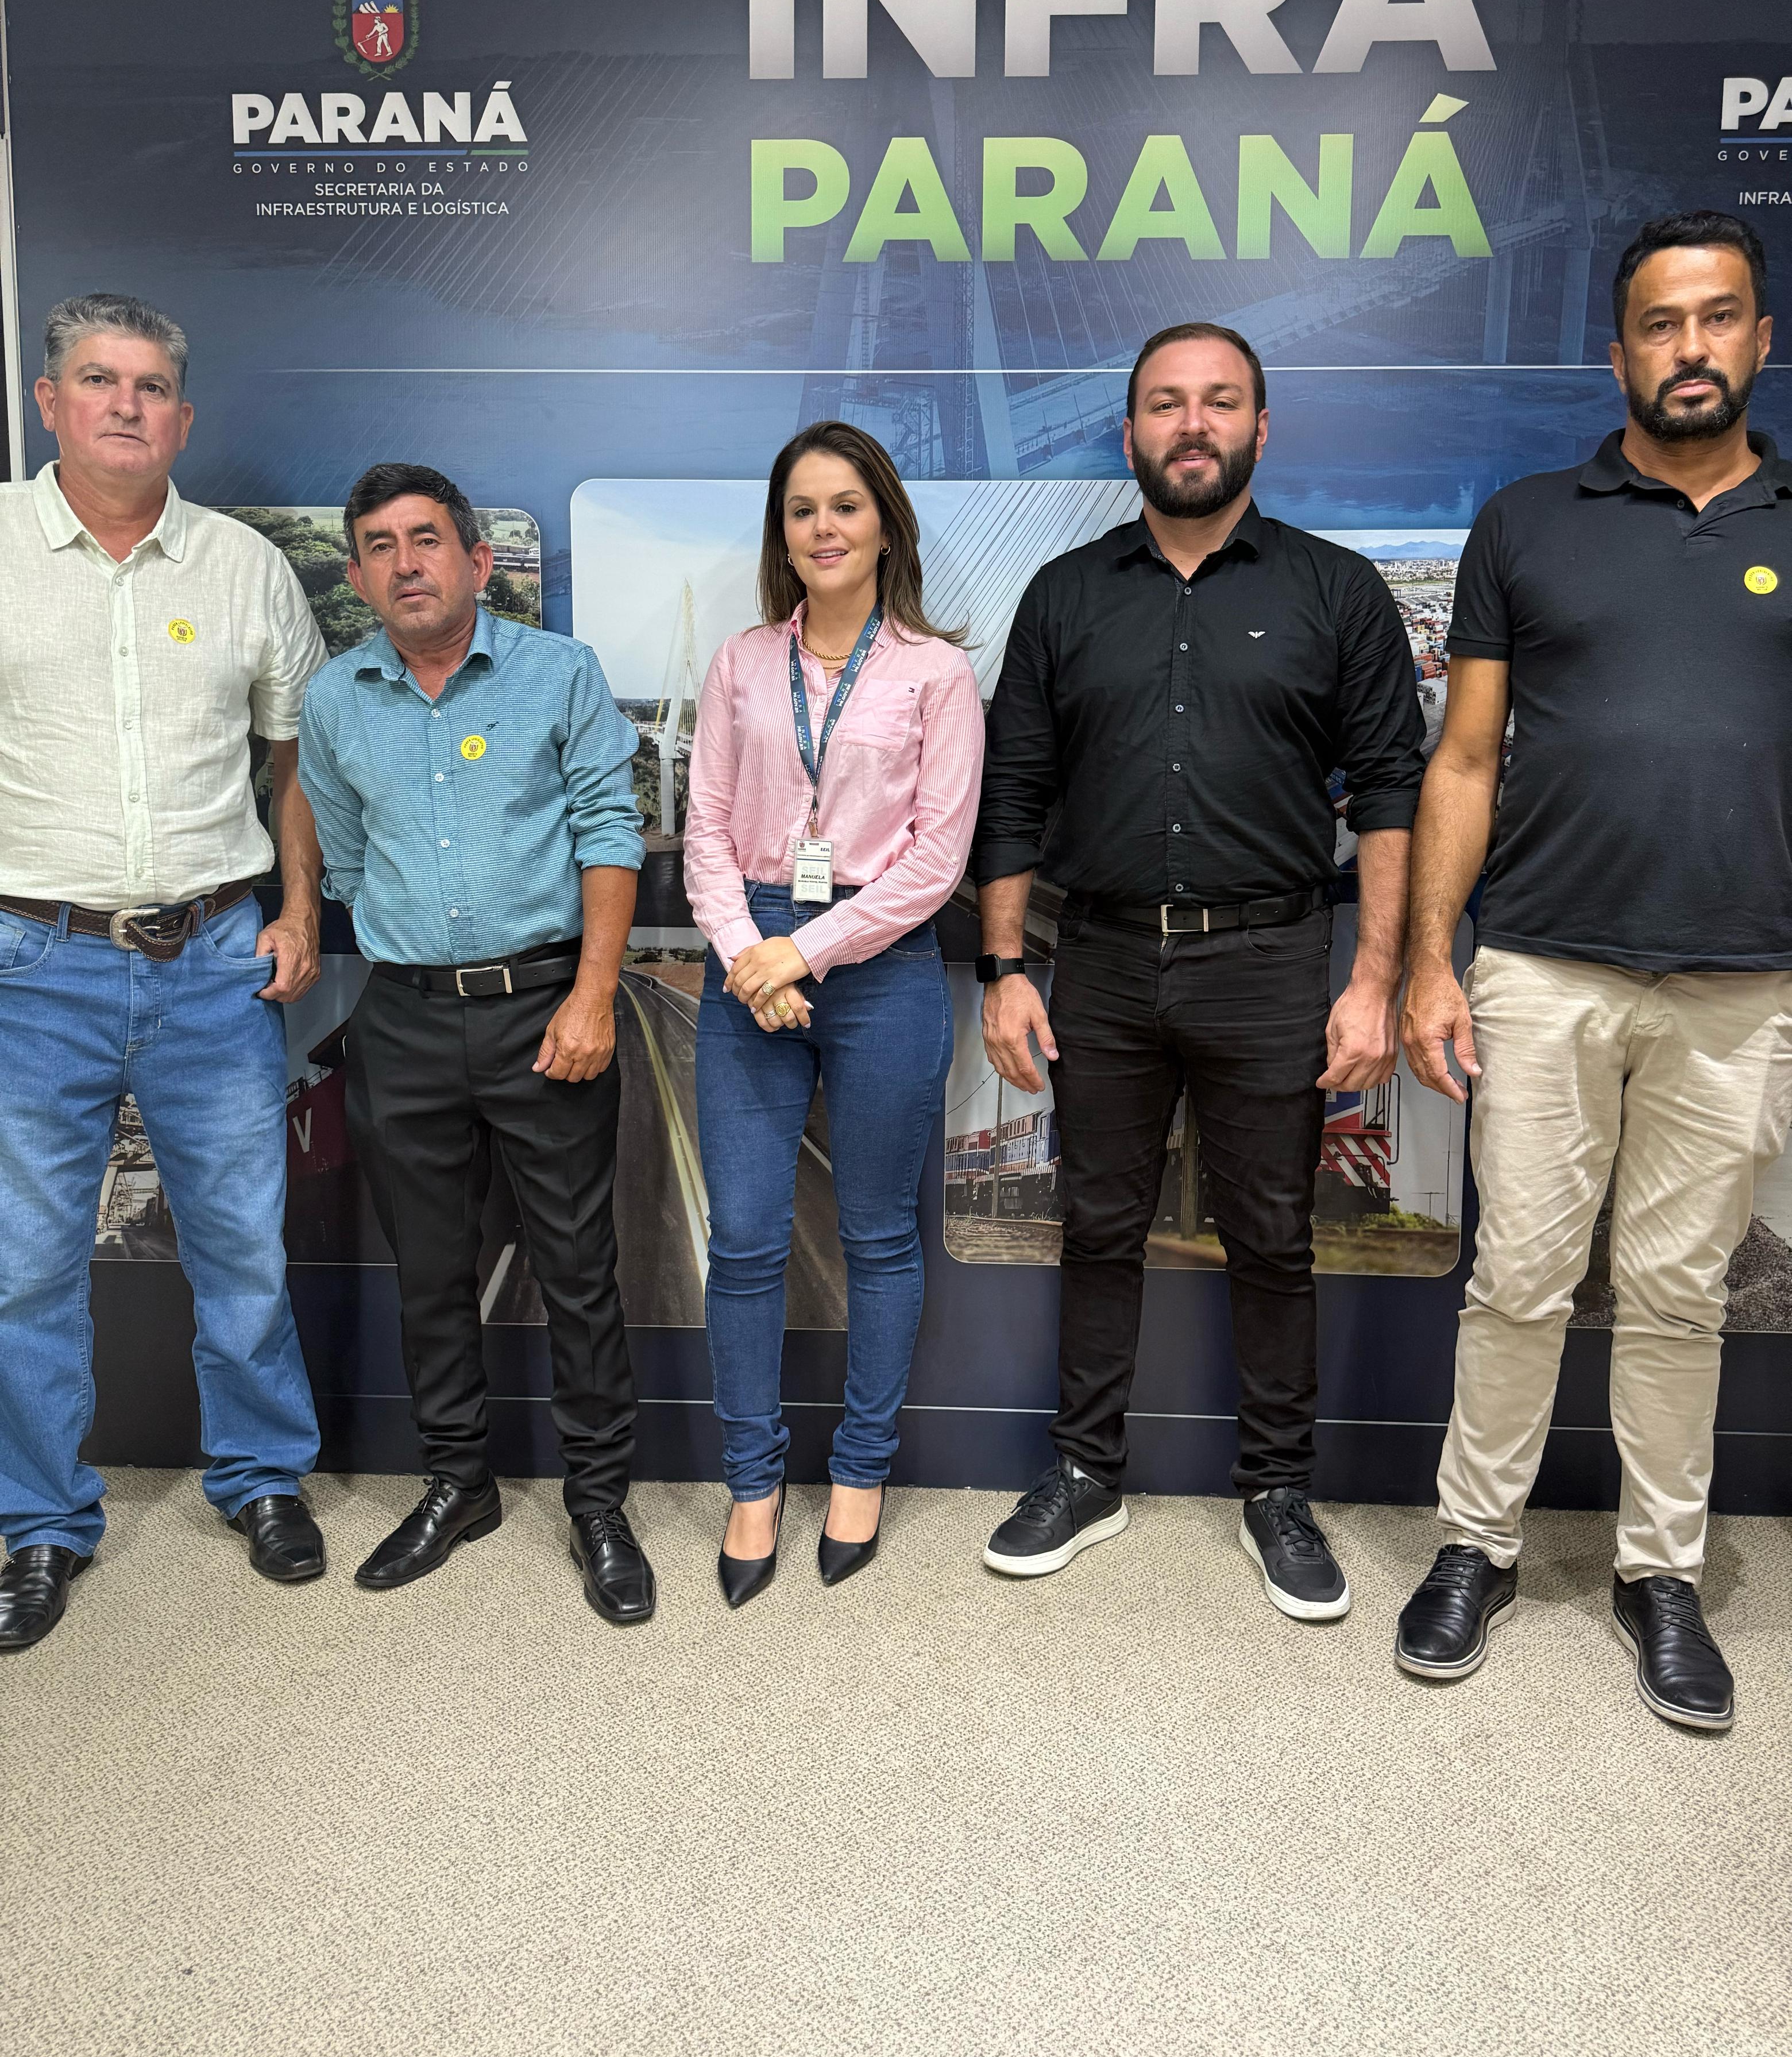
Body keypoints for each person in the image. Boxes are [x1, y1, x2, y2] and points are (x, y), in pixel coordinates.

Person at [1397, 211, 1787, 1731]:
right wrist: (1432, 963)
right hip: (1545, 968)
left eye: (1719, 317)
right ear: (1618, 350)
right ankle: (1475, 1546)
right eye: (1661, 324)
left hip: (1743, 984)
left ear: (1760, 337)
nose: (1691, 349)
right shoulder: (1526, 522)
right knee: (1519, 1278)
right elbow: (1464, 760)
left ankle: (1660, 1573)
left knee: (1683, 1298)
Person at [974, 323, 1426, 1618]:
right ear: (1129, 432)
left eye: (1220, 402)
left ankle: (1278, 1489)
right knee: (1098, 1226)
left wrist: (1373, 981)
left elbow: (1391, 792)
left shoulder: (1338, 591)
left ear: (1259, 429)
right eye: (1166, 403)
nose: (1192, 424)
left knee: (1274, 1236)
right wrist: (1005, 965)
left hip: (1272, 958)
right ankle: (1085, 1473)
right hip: (1102, 957)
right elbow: (1015, 789)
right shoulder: (1064, 596)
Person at [0, 294, 330, 1650]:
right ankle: (39, 1518)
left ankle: (262, 1477)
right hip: (33, 966)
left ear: (184, 419)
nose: (125, 405)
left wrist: (298, 907)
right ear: (49, 401)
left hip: (212, 963)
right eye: (99, 380)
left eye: (149, 387)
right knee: (25, 1267)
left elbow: (295, 758)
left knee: (243, 1247)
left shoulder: (244, 568)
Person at [298, 463, 655, 1623]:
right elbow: (348, 860)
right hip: (402, 1017)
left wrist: (592, 996)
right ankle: (459, 1485)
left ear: (476, 561)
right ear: (358, 577)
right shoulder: (336, 700)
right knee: (432, 1271)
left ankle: (600, 1503)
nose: (406, 564)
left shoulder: (558, 672)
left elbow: (610, 832)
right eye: (381, 547)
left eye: (426, 540)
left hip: (545, 1006)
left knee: (577, 1270)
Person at [685, 420, 982, 1606]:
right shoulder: (740, 662)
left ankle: (861, 1468)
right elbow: (706, 828)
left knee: (878, 1237)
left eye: (846, 505)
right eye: (803, 509)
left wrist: (798, 951)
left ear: (886, 525)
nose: (824, 527)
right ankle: (751, 1482)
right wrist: (748, 956)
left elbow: (938, 860)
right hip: (750, 947)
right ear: (782, 532)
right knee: (746, 1240)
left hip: (882, 960)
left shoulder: (936, 673)